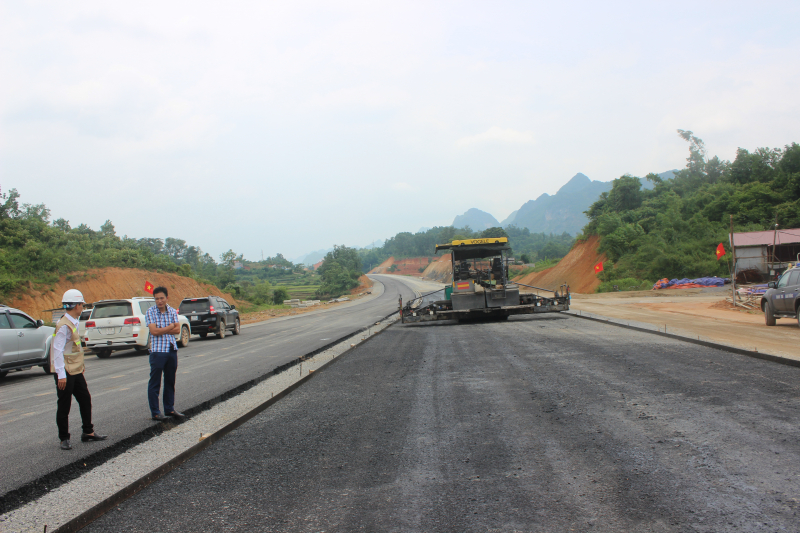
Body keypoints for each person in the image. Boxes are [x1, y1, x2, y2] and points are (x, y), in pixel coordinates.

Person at [51, 289, 107, 450]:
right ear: (76, 305)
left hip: (75, 370)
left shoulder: (73, 322)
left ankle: (88, 432)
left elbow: (73, 349)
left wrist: (80, 367)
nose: (82, 306)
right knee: (64, 405)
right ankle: (64, 438)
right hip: (65, 372)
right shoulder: (63, 326)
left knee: (85, 399)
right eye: (81, 304)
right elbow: (57, 351)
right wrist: (61, 375)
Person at [145, 286, 186, 421]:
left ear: (167, 298)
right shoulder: (150, 312)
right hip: (157, 351)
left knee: (170, 381)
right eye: (156, 299)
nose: (159, 301)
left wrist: (162, 329)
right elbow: (154, 332)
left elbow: (177, 329)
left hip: (171, 349)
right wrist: (169, 327)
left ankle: (169, 409)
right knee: (155, 383)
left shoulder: (173, 311)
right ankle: (155, 412)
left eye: (162, 298)